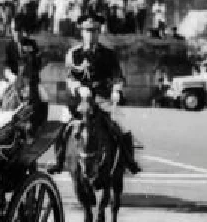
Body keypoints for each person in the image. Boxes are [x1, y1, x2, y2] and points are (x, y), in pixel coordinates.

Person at [48, 13, 142, 175]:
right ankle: (59, 160)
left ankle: (129, 161)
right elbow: (69, 77)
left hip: (102, 97)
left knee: (121, 127)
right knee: (63, 126)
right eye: (88, 30)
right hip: (78, 98)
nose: (91, 34)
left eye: (95, 30)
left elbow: (118, 76)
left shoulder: (108, 54)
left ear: (99, 32)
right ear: (82, 32)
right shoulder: (74, 53)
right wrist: (78, 88)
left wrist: (116, 90)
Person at [0, 8, 44, 112]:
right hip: (13, 79)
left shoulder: (32, 44)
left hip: (29, 80)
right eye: (13, 30)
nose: (15, 33)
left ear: (22, 30)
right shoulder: (9, 46)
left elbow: (37, 64)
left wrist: (28, 77)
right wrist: (13, 77)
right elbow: (6, 67)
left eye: (17, 30)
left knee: (43, 97)